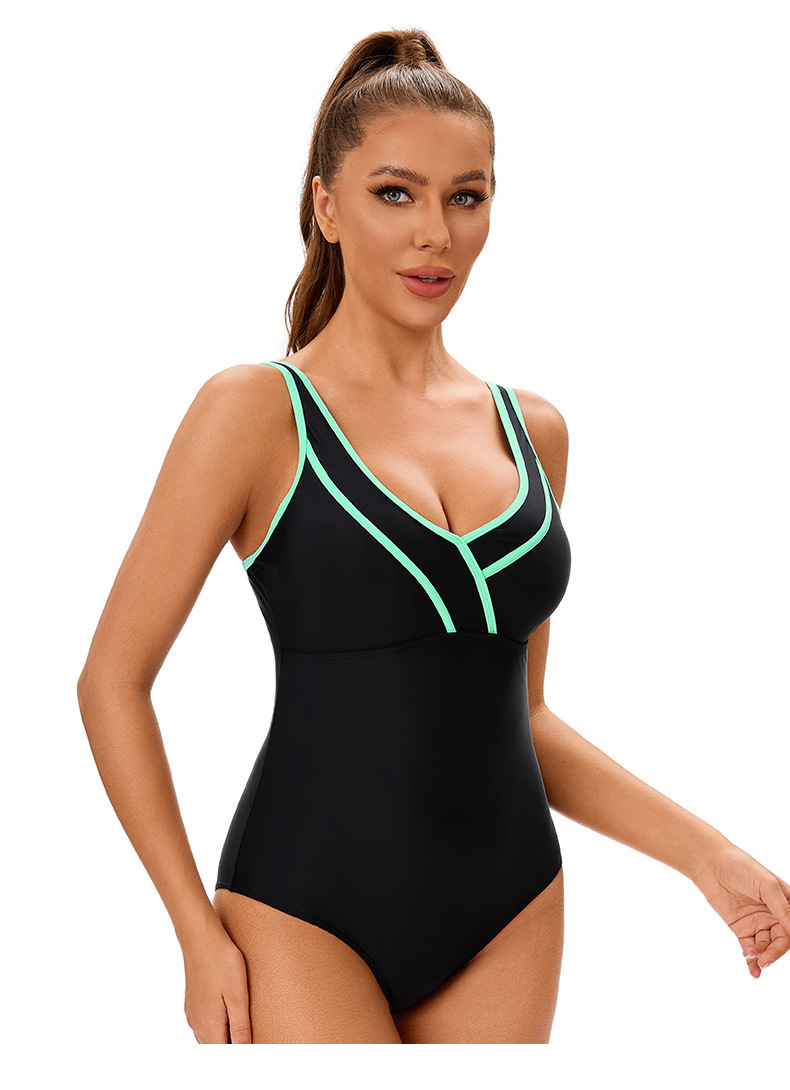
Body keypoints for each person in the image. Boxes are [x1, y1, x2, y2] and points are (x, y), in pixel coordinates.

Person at [76, 26, 790, 1045]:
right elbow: (112, 681)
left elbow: (522, 715)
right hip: (302, 907)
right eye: (394, 193)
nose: (435, 235)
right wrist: (195, 933)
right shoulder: (255, 413)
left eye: (466, 196)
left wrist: (707, 856)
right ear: (327, 207)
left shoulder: (533, 431)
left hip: (511, 905)